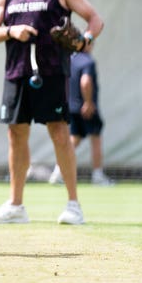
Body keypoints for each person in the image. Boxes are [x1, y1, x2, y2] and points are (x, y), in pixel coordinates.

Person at [0, 0, 104, 225]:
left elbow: (94, 18)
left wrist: (85, 38)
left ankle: (74, 205)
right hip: (17, 72)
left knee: (60, 133)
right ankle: (16, 205)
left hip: (51, 72)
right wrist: (12, 31)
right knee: (16, 134)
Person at [49, 42, 114, 186]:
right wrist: (88, 102)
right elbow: (85, 82)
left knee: (74, 140)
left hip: (71, 108)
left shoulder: (69, 60)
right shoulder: (87, 61)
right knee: (95, 138)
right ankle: (97, 175)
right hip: (86, 107)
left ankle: (58, 171)